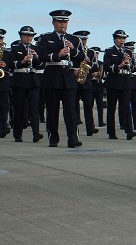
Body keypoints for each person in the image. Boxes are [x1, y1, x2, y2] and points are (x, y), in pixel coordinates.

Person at [35, 10, 84, 148]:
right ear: (53, 23)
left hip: (68, 77)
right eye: (60, 22)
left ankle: (73, 138)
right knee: (52, 110)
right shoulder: (45, 38)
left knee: (71, 110)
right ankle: (53, 138)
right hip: (52, 76)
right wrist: (57, 54)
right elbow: (41, 55)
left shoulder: (74, 39)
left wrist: (73, 50)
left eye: (65, 22)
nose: (63, 24)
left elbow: (81, 58)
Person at [3, 26, 43, 142]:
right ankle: (17, 135)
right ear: (20, 36)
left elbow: (41, 65)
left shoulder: (36, 48)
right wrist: (22, 61)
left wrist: (37, 57)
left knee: (34, 108)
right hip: (19, 81)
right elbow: (10, 64)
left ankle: (36, 133)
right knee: (19, 109)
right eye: (26, 35)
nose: (29, 38)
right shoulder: (15, 48)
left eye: (30, 36)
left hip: (33, 80)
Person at [103, 30, 135, 140]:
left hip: (125, 81)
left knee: (126, 107)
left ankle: (129, 131)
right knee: (112, 108)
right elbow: (107, 67)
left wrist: (129, 64)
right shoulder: (109, 51)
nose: (122, 40)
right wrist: (120, 65)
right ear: (114, 39)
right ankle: (111, 132)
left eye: (123, 38)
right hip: (113, 81)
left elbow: (134, 68)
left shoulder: (129, 52)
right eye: (119, 38)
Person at [73, 30, 99, 137]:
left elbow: (95, 67)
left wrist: (90, 66)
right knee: (74, 106)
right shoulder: (73, 51)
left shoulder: (91, 52)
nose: (84, 41)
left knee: (89, 105)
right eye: (81, 39)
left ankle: (90, 128)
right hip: (74, 80)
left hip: (86, 81)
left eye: (85, 39)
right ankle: (74, 128)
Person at [0, 29, 13, 138]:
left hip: (3, 82)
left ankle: (3, 126)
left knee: (4, 106)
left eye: (1, 38)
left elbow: (12, 66)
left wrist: (6, 65)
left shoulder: (7, 53)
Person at [89, 46, 105, 127]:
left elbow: (105, 74)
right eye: (95, 53)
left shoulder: (101, 63)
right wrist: (93, 74)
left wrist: (102, 75)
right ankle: (91, 123)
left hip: (99, 85)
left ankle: (101, 121)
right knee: (90, 105)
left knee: (100, 105)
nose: (96, 55)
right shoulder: (89, 63)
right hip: (91, 84)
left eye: (98, 53)